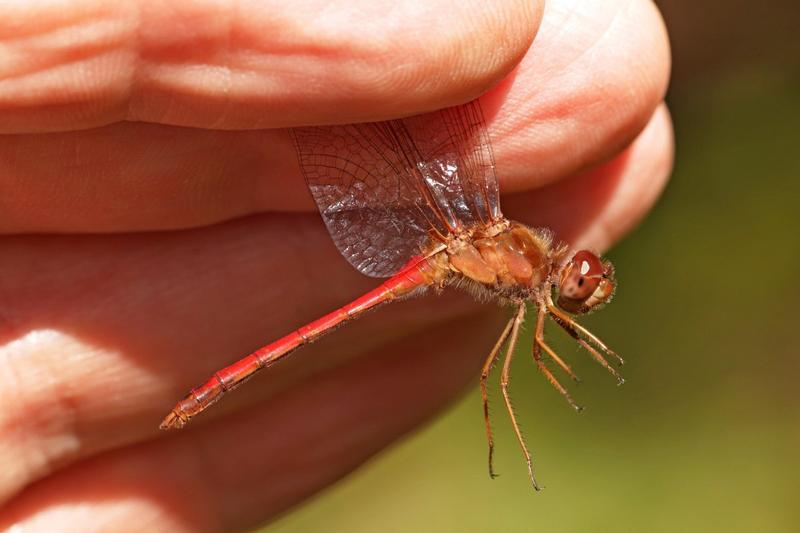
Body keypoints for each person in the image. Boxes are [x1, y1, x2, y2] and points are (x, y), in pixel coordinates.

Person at [0, 0, 672, 530]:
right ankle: (208, 389)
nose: (584, 285)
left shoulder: (531, 281)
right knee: (491, 376)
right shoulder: (522, 267)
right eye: (584, 283)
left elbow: (529, 351)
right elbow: (510, 369)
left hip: (446, 245)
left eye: (585, 285)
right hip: (440, 246)